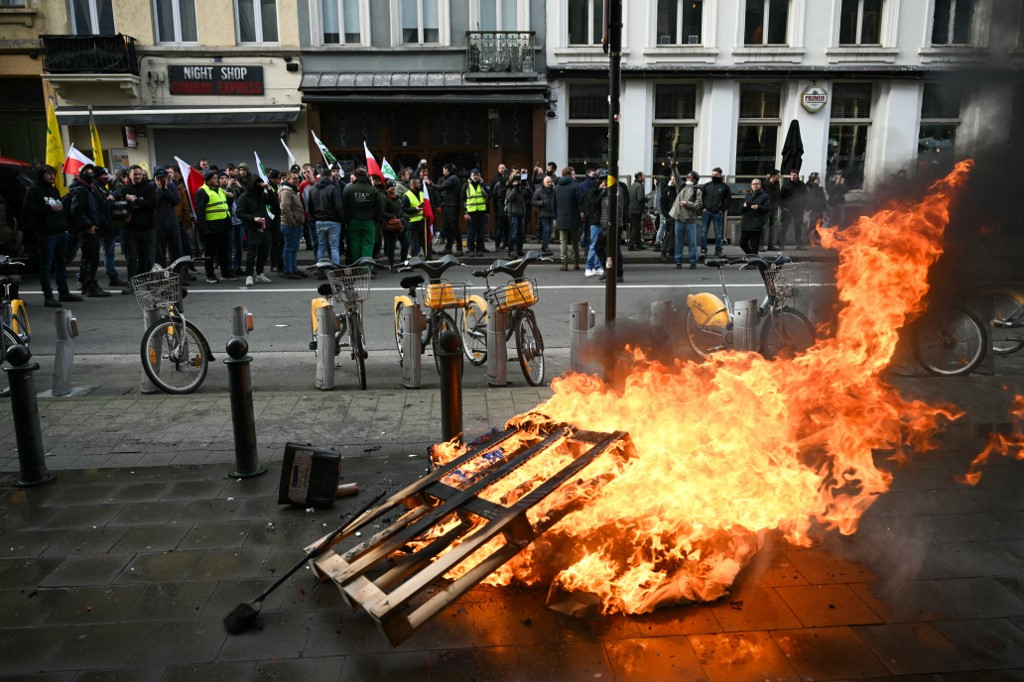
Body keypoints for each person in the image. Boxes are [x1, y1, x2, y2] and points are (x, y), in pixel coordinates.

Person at [23, 165, 82, 307]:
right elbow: (28, 209)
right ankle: (48, 296)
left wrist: (65, 226)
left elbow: (60, 209)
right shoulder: (34, 190)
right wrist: (49, 208)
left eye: (53, 174)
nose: (52, 177)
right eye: (48, 174)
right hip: (45, 234)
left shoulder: (54, 190)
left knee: (61, 264)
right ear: (42, 174)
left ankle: (64, 292)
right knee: (46, 265)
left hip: (60, 232)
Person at [68, 165, 110, 297]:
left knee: (88, 258)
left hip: (91, 228)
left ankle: (86, 284)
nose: (90, 175)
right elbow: (76, 210)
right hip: (87, 230)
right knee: (92, 258)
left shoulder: (88, 188)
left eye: (92, 173)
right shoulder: (81, 190)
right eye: (87, 173)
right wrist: (88, 225)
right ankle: (91, 285)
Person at [114, 165, 156, 294]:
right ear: (129, 176)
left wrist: (136, 200)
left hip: (148, 229)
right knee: (132, 258)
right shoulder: (126, 188)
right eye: (134, 174)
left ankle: (150, 284)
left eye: (139, 174)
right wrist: (112, 197)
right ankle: (131, 284)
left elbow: (153, 203)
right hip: (131, 230)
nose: (137, 176)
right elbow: (116, 194)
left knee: (149, 258)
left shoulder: (150, 187)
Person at [194, 170, 233, 283]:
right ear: (208, 180)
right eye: (214, 178)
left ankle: (225, 273)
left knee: (223, 252)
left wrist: (231, 197)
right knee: (210, 253)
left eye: (216, 178)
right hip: (211, 228)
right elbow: (200, 213)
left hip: (223, 226)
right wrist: (204, 229)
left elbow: (225, 205)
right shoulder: (202, 191)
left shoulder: (220, 189)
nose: (216, 180)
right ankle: (210, 275)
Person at [234, 175, 273, 286]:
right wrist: (253, 218)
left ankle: (260, 274)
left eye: (261, 184)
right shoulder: (244, 197)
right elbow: (239, 213)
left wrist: (268, 189)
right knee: (252, 252)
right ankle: (249, 275)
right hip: (252, 228)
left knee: (264, 252)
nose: (259, 187)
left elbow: (274, 201)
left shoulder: (262, 195)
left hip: (265, 228)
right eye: (257, 184)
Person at [342, 167, 379, 261]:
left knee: (355, 245)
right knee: (367, 245)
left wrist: (346, 221)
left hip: (353, 222)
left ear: (356, 176)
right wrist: (375, 221)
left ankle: (357, 267)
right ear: (366, 176)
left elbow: (344, 207)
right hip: (369, 221)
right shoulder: (373, 190)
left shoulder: (349, 189)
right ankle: (365, 269)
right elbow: (379, 208)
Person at [310, 166, 345, 266]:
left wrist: (315, 217)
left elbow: (310, 207)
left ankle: (320, 269)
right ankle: (335, 269)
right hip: (333, 221)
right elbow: (338, 206)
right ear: (330, 177)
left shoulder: (313, 189)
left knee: (321, 247)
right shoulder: (333, 188)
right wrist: (341, 219)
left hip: (319, 221)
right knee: (334, 247)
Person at [670, 168, 703, 269]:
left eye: (691, 177)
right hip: (679, 218)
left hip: (689, 220)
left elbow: (698, 205)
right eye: (688, 176)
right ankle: (678, 261)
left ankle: (693, 262)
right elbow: (676, 176)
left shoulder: (697, 190)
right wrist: (673, 164)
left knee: (692, 242)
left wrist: (687, 203)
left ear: (695, 180)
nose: (688, 178)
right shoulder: (682, 186)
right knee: (678, 241)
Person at [152, 166, 182, 270]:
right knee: (159, 254)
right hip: (158, 225)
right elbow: (153, 202)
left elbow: (175, 201)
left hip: (172, 224)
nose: (162, 180)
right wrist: (159, 189)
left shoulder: (171, 186)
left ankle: (178, 277)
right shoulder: (152, 187)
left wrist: (165, 189)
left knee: (177, 252)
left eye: (164, 177)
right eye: (160, 177)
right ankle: (162, 277)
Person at [278, 169, 305, 280]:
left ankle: (294, 269)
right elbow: (285, 207)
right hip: (289, 225)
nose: (296, 180)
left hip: (296, 224)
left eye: (298, 178)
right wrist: (292, 221)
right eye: (294, 178)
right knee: (289, 248)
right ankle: (288, 271)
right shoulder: (286, 191)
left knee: (294, 248)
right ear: (288, 179)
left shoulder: (293, 190)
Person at [552, 167, 581, 271]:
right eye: (573, 174)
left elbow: (553, 204)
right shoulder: (575, 186)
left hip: (561, 218)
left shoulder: (557, 187)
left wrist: (556, 216)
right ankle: (576, 262)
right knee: (574, 241)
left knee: (563, 241)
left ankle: (564, 263)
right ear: (569, 175)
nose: (575, 175)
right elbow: (579, 201)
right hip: (574, 217)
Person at [700, 167, 731, 258]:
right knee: (703, 231)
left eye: (716, 175)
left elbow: (728, 200)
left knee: (718, 232)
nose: (714, 176)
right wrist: (703, 207)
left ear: (720, 175)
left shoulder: (724, 187)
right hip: (707, 212)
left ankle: (718, 250)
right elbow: (701, 197)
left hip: (718, 212)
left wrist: (722, 209)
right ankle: (703, 250)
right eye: (713, 175)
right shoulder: (706, 186)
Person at [436, 163, 463, 255]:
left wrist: (430, 184)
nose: (443, 171)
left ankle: (459, 249)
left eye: (443, 169)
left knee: (454, 227)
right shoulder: (449, 178)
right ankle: (448, 248)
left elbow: (441, 187)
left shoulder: (453, 178)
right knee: (447, 227)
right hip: (447, 205)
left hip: (453, 206)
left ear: (447, 170)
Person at [381, 179, 408, 268]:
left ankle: (403, 262)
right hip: (390, 225)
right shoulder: (384, 197)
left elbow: (400, 208)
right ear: (387, 188)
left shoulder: (397, 197)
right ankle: (392, 264)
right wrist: (393, 217)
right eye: (391, 186)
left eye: (394, 186)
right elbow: (382, 211)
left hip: (399, 224)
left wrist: (399, 215)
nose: (393, 188)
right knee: (391, 245)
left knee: (406, 242)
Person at [739, 178, 770, 254]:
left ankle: (753, 262)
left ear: (760, 185)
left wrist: (758, 207)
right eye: (753, 184)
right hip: (746, 224)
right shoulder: (747, 196)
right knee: (742, 243)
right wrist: (744, 206)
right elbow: (740, 211)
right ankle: (752, 257)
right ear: (751, 185)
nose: (755, 186)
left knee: (754, 246)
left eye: (757, 184)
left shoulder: (765, 196)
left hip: (757, 224)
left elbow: (767, 209)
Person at [582, 172, 605, 277]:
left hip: (599, 220)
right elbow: (595, 204)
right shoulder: (592, 191)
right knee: (594, 245)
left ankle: (597, 266)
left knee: (598, 245)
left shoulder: (596, 190)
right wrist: (601, 191)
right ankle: (589, 267)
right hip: (595, 220)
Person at [463, 168, 489, 256]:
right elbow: (462, 199)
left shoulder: (482, 185)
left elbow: (489, 194)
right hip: (471, 212)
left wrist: (483, 184)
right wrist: (465, 212)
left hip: (481, 211)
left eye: (477, 175)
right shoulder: (466, 185)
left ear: (480, 176)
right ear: (470, 176)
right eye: (474, 175)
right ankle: (471, 249)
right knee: (471, 232)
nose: (476, 177)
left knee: (481, 232)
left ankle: (479, 249)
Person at [779, 169, 807, 249]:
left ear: (797, 176)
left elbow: (806, 197)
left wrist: (803, 207)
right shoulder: (786, 185)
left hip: (798, 209)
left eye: (794, 175)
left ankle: (799, 244)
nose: (792, 176)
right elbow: (781, 197)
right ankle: (781, 244)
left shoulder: (802, 185)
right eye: (791, 175)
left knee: (798, 226)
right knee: (784, 226)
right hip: (787, 208)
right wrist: (782, 207)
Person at [504, 173, 529, 258]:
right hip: (513, 214)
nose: (518, 182)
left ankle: (519, 250)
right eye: (517, 180)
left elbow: (530, 195)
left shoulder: (521, 189)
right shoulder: (510, 189)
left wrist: (527, 188)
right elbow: (509, 199)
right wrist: (515, 187)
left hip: (521, 214)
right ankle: (511, 251)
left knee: (521, 234)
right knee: (513, 233)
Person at [402, 177, 427, 257]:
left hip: (423, 221)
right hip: (413, 222)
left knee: (425, 241)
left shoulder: (422, 193)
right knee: (414, 242)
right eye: (418, 183)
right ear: (413, 184)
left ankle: (428, 257)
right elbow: (403, 209)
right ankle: (414, 259)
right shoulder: (406, 195)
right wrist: (415, 209)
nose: (420, 184)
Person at [531, 175, 555, 255]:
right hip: (543, 214)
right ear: (544, 182)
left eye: (550, 181)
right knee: (546, 230)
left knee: (549, 231)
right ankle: (545, 246)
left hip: (551, 213)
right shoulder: (539, 190)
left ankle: (544, 245)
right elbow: (533, 201)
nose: (549, 183)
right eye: (547, 182)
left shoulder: (553, 190)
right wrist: (542, 203)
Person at [266, 169, 283, 272]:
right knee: (274, 243)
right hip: (272, 219)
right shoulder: (269, 189)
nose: (279, 181)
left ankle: (278, 263)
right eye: (278, 178)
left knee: (278, 242)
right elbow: (274, 203)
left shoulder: (277, 187)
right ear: (273, 178)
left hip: (277, 218)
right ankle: (273, 264)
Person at [490, 164, 510, 250]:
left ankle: (501, 244)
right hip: (502, 207)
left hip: (503, 207)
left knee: (503, 228)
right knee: (502, 228)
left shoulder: (501, 183)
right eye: (500, 168)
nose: (502, 169)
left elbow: (495, 196)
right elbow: (493, 195)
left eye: (503, 168)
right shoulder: (496, 180)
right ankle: (500, 244)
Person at [804, 172, 827, 243]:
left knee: (819, 224)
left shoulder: (820, 189)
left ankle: (817, 238)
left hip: (820, 209)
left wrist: (826, 209)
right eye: (817, 178)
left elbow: (823, 199)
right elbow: (809, 198)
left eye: (818, 178)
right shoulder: (809, 187)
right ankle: (805, 237)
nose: (818, 179)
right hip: (813, 209)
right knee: (812, 225)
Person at [627, 171, 647, 250]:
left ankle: (638, 244)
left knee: (635, 227)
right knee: (636, 227)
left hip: (631, 209)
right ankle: (631, 245)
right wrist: (647, 198)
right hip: (637, 210)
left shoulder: (632, 185)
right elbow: (640, 198)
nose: (644, 177)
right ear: (639, 177)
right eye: (643, 176)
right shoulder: (639, 186)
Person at [659, 173, 677, 262]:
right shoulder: (666, 190)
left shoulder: (677, 190)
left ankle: (672, 251)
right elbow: (663, 204)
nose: (673, 181)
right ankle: (664, 252)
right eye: (672, 180)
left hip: (677, 216)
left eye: (674, 180)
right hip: (670, 216)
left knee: (675, 234)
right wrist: (667, 215)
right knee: (668, 234)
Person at [763, 169, 782, 250]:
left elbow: (778, 195)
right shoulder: (765, 184)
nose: (779, 177)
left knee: (773, 227)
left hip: (774, 208)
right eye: (778, 175)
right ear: (773, 176)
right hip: (766, 208)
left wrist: (777, 204)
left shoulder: (777, 184)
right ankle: (760, 244)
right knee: (763, 226)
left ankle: (771, 245)